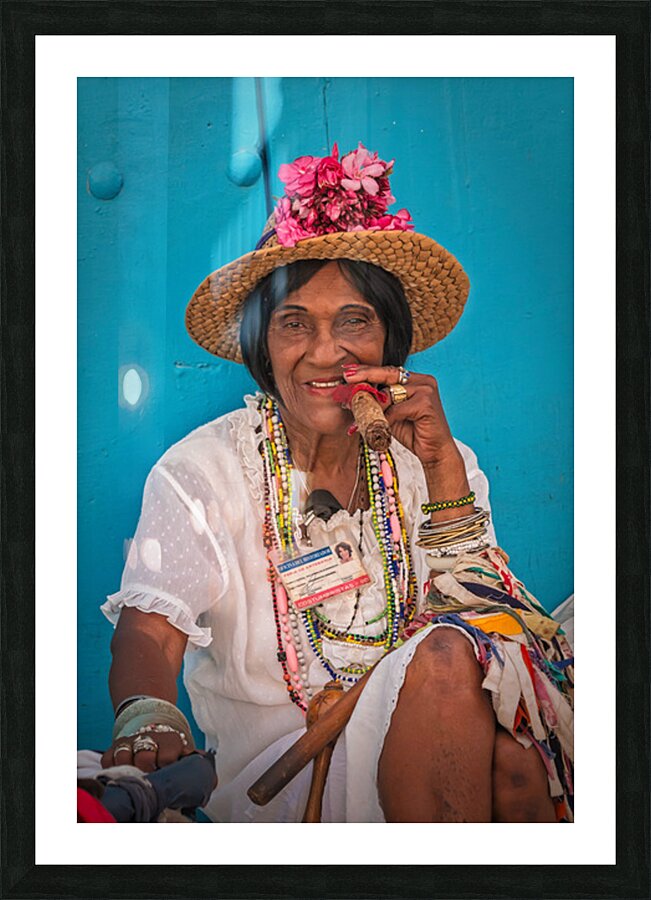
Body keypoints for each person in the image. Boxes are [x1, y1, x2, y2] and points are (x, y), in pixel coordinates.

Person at [96, 142, 573, 823]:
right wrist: (149, 714)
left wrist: (441, 474)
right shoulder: (204, 469)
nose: (326, 352)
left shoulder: (437, 461)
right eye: (295, 324)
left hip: (438, 729)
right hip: (278, 777)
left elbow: (488, 625)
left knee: (512, 748)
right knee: (448, 671)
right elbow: (150, 628)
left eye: (355, 320)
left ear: (389, 341)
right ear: (265, 348)